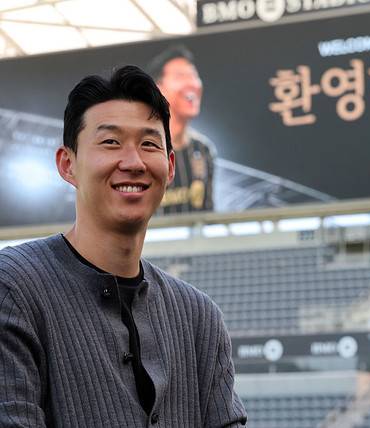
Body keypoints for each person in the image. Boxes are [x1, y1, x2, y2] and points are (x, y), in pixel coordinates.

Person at [0, 66, 247, 427]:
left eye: (149, 144)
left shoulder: (199, 317)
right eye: (111, 142)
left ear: (170, 166)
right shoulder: (13, 288)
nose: (133, 163)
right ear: (67, 164)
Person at [148, 45, 216, 214]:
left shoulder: (203, 150)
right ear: (158, 89)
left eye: (193, 76)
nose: (191, 83)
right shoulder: (143, 150)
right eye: (180, 76)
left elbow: (208, 214)